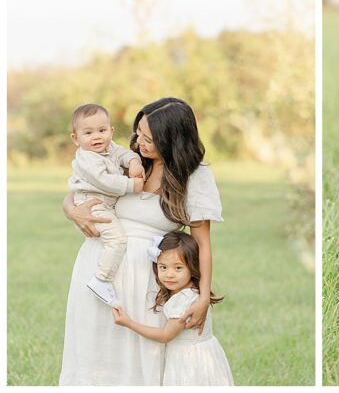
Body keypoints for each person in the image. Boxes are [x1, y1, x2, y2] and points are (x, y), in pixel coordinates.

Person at [60, 97, 223, 385]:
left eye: (149, 138)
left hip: (145, 281)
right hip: (97, 270)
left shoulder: (193, 176)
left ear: (172, 139)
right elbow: (79, 188)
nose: (139, 142)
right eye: (138, 133)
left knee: (139, 360)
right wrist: (71, 210)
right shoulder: (124, 161)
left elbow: (202, 244)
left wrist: (202, 296)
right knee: (93, 353)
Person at [113, 232, 233, 386]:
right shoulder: (196, 291)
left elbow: (165, 335)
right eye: (163, 267)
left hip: (187, 361)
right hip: (207, 354)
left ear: (192, 267)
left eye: (178, 268)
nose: (169, 274)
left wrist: (129, 323)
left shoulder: (182, 300)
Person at [67, 103, 145, 307]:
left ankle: (103, 278)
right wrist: (131, 185)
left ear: (111, 131)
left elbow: (123, 154)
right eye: (88, 132)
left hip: (105, 203)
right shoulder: (87, 159)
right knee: (117, 239)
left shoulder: (110, 147)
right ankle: (101, 279)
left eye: (102, 130)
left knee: (115, 236)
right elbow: (105, 181)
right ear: (76, 138)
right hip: (92, 205)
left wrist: (134, 162)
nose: (96, 137)